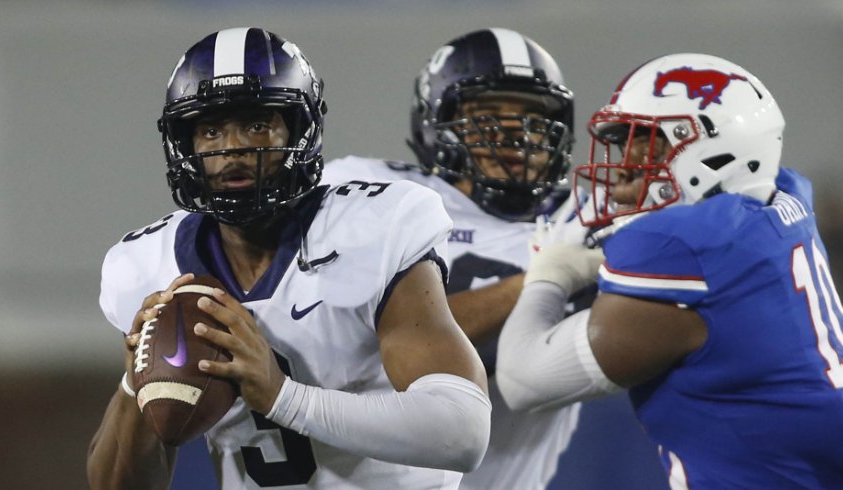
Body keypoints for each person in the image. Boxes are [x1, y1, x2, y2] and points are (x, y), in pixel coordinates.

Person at [86, 27, 492, 490]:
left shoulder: (374, 229)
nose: (232, 148)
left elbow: (463, 430)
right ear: (185, 144)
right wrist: (136, 382)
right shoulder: (146, 265)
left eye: (257, 124)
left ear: (301, 130)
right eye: (211, 129)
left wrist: (283, 397)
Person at [496, 52, 843, 488]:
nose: (624, 167)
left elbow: (523, 379)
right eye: (626, 145)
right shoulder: (785, 196)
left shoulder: (680, 244)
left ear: (716, 150)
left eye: (648, 145)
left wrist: (550, 275)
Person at [323, 28, 588, 489]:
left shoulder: (586, 219)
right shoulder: (369, 193)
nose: (515, 131)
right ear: (435, 121)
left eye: (533, 115)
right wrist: (543, 279)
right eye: (487, 113)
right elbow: (367, 349)